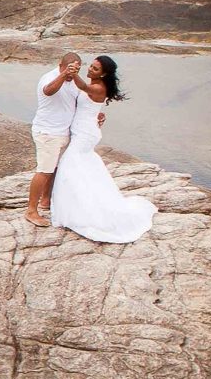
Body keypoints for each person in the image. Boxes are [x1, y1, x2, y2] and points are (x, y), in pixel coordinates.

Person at [49, 55, 154, 244]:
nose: (90, 70)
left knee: (68, 167)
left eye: (95, 69)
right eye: (91, 66)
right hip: (84, 130)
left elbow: (83, 88)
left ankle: (80, 211)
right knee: (82, 167)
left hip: (85, 134)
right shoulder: (96, 86)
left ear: (104, 74)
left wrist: (71, 73)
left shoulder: (97, 87)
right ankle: (81, 205)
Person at [25, 51, 88, 227]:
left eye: (77, 69)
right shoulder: (49, 78)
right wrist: (64, 75)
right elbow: (49, 91)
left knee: (55, 169)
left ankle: (46, 201)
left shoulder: (74, 81)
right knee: (44, 170)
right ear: (61, 65)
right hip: (47, 132)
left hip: (63, 132)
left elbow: (78, 103)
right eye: (70, 68)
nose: (73, 73)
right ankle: (31, 210)